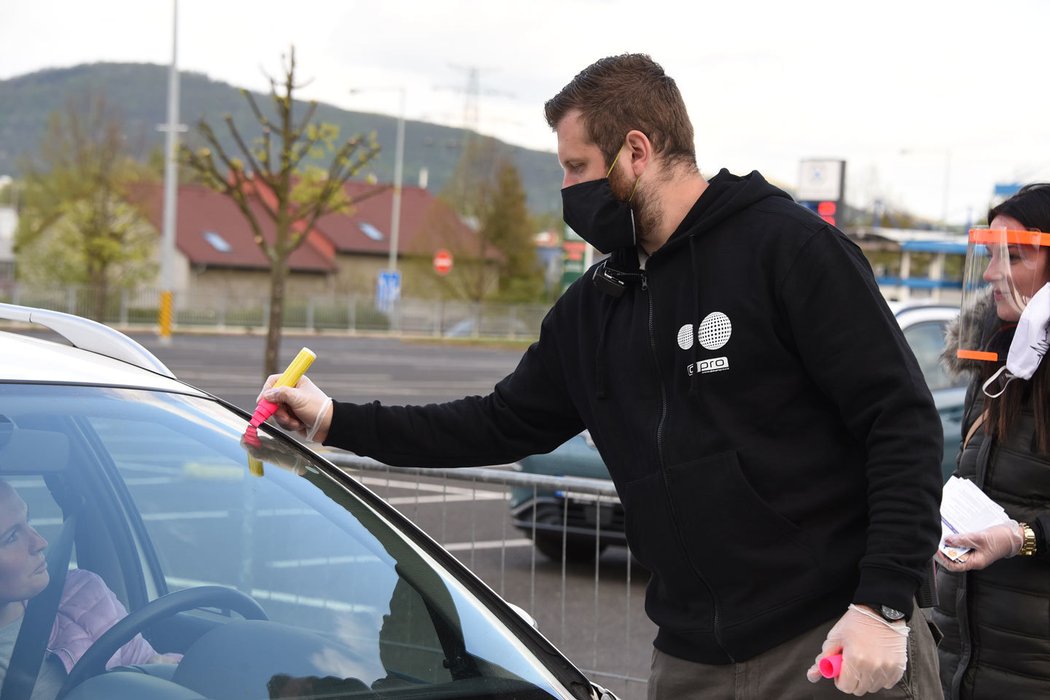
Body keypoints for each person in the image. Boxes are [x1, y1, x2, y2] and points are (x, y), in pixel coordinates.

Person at [261, 54, 943, 698]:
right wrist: (334, 421)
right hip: (690, 658)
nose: (568, 191)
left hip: (828, 642)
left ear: (638, 151)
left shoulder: (786, 249)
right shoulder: (594, 308)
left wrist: (882, 603)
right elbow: (496, 422)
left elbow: (899, 420)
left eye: (576, 166)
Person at [933, 183, 1050, 698]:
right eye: (989, 255)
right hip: (965, 663)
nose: (992, 274)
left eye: (1015, 256)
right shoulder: (996, 366)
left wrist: (1020, 537)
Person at [0, 479, 175, 698]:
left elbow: (149, 664)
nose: (40, 542)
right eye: (12, 537)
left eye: (28, 520)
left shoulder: (82, 592)